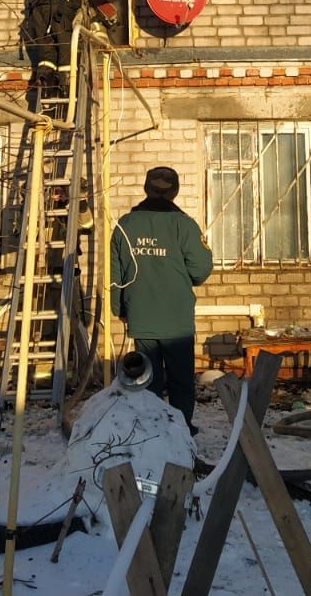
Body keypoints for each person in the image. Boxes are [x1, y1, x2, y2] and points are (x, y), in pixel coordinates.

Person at [110, 166, 213, 433]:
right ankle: (180, 429)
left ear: (146, 188)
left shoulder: (125, 225)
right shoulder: (184, 225)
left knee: (148, 379)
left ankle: (153, 431)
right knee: (180, 380)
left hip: (142, 315)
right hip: (177, 318)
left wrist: (119, 308)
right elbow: (201, 269)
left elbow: (115, 274)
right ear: (174, 191)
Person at [18, 0, 124, 108]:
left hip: (37, 13)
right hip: (59, 9)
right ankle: (67, 88)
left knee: (47, 52)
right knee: (66, 48)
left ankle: (45, 85)